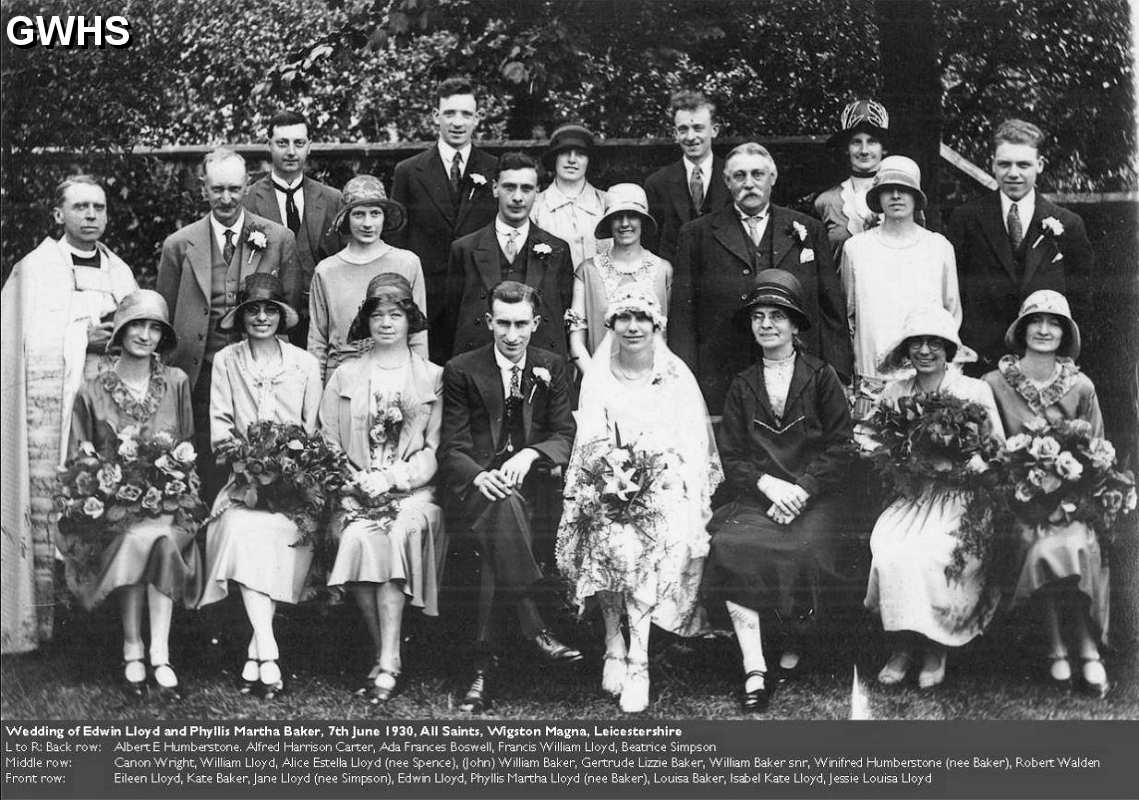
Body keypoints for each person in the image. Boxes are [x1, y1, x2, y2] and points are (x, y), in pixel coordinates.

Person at [556, 287, 721, 713]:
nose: (633, 327)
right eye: (624, 319)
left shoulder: (675, 375)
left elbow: (691, 445)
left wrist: (658, 483)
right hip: (609, 481)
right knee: (605, 530)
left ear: (656, 325)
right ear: (611, 325)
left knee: (646, 536)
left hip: (664, 487)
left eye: (642, 319)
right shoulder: (598, 375)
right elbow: (589, 444)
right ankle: (613, 641)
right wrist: (605, 485)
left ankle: (639, 660)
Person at [703, 271, 854, 712]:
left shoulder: (822, 377)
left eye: (777, 317)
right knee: (732, 543)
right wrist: (767, 485)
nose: (767, 325)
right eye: (759, 317)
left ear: (794, 325)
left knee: (805, 549)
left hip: (816, 498)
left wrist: (802, 490)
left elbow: (841, 447)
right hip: (757, 497)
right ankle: (754, 667)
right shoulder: (742, 383)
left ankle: (794, 637)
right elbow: (732, 456)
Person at [3, 175, 138, 653]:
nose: (90, 216)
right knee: (52, 508)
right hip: (50, 416)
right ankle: (46, 623)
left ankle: (101, 625)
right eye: (80, 207)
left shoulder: (120, 272)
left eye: (98, 207)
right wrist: (85, 337)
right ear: (58, 214)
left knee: (103, 502)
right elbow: (26, 344)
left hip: (103, 414)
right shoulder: (34, 270)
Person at [439, 281, 580, 713]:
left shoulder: (551, 366)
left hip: (535, 488)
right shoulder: (463, 368)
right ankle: (534, 622)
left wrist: (531, 454)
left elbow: (564, 433)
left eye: (521, 324)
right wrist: (480, 476)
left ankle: (480, 675)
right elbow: (452, 446)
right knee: (500, 505)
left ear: (536, 324)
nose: (512, 335)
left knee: (499, 526)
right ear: (489, 322)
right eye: (503, 323)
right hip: (476, 490)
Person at [63, 290, 202, 696]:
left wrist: (175, 485)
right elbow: (81, 456)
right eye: (136, 325)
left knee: (160, 537)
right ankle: (132, 645)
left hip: (169, 502)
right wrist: (109, 486)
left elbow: (187, 445)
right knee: (136, 537)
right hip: (114, 507)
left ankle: (159, 650)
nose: (145, 335)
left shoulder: (175, 382)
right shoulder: (92, 389)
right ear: (120, 332)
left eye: (155, 328)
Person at [864, 306, 1005, 689]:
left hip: (963, 498)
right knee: (891, 548)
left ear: (948, 347)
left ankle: (935, 645)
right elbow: (876, 441)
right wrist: (900, 460)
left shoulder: (973, 390)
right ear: (907, 350)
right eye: (916, 343)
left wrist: (963, 461)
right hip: (914, 495)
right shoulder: (896, 392)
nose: (925, 350)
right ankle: (903, 644)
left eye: (934, 343)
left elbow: (995, 451)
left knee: (933, 554)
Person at [322, 273, 446, 704]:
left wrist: (397, 478)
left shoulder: (432, 377)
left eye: (396, 315)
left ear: (410, 321)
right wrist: (355, 482)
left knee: (396, 534)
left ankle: (389, 661)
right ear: (366, 323)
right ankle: (384, 652)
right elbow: (329, 443)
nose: (387, 323)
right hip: (357, 489)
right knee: (355, 536)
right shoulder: (345, 375)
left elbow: (434, 449)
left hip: (412, 493)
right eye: (378, 315)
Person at [198, 274, 322, 699]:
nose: (262, 317)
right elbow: (220, 429)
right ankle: (267, 649)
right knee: (238, 530)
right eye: (253, 310)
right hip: (242, 482)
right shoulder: (227, 362)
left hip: (295, 486)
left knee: (281, 534)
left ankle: (258, 654)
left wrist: (290, 468)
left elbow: (314, 430)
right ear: (242, 316)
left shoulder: (305, 364)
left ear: (282, 316)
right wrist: (249, 464)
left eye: (270, 310)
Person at [982, 291, 1109, 696]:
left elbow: (1097, 451)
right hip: (1016, 501)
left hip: (1071, 501)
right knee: (1036, 544)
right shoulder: (994, 383)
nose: (1043, 329)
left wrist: (1072, 494)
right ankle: (1057, 646)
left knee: (1073, 545)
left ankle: (1087, 646)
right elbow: (989, 449)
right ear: (1020, 330)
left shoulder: (1081, 386)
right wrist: (1022, 488)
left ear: (1065, 333)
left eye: (1054, 323)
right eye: (1035, 321)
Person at [156, 147, 301, 501]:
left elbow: (290, 308)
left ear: (247, 186)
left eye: (234, 189)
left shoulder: (278, 238)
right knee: (207, 463)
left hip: (258, 373)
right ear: (203, 188)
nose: (226, 198)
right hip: (200, 373)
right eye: (217, 189)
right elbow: (165, 315)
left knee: (260, 469)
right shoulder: (179, 245)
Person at [672, 142, 852, 415]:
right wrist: (684, 383)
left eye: (757, 174)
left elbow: (831, 309)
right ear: (726, 181)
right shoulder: (697, 234)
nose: (749, 184)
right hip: (723, 377)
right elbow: (683, 317)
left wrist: (838, 373)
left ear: (773, 178)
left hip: (800, 376)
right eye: (739, 176)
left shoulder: (809, 230)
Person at [948, 119, 1095, 375]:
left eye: (1023, 164)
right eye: (1005, 164)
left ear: (1039, 165)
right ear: (993, 164)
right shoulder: (966, 219)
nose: (1013, 173)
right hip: (981, 365)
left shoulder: (1069, 224)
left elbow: (1081, 300)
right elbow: (954, 292)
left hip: (1045, 364)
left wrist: (1063, 359)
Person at [391, 76, 499, 365]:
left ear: (477, 119)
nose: (457, 122)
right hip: (427, 302)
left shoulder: (494, 169)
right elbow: (397, 244)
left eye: (466, 114)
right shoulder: (409, 172)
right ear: (436, 117)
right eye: (450, 113)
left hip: (478, 301)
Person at [840, 155, 960, 385]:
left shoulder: (939, 247)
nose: (896, 196)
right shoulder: (856, 248)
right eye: (888, 190)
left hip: (926, 375)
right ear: (878, 196)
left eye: (904, 189)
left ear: (916, 196)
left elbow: (951, 313)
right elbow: (849, 316)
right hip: (872, 376)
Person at [445, 152, 573, 358]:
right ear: (495, 188)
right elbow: (451, 317)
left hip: (539, 366)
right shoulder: (464, 249)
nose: (518, 197)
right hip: (479, 367)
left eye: (527, 188)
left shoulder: (558, 250)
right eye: (509, 187)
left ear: (537, 191)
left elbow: (562, 311)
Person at [308, 175, 426, 381]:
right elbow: (317, 341)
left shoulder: (407, 263)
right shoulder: (327, 270)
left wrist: (419, 384)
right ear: (346, 218)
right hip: (342, 377)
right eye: (358, 214)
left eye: (375, 213)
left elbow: (418, 335)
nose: (367, 223)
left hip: (396, 375)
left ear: (384, 217)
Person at [243, 110, 343, 347]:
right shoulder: (248, 202)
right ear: (269, 145)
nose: (290, 151)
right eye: (282, 143)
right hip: (270, 322)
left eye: (298, 143)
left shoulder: (332, 199)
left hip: (323, 321)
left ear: (309, 146)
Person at [567, 183, 671, 371]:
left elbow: (669, 335)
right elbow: (576, 339)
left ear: (642, 221)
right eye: (617, 217)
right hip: (599, 379)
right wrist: (596, 381)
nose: (624, 224)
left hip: (653, 382)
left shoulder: (663, 270)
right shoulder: (587, 271)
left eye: (631, 216)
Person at [644, 90, 731, 264]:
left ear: (714, 130)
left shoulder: (733, 177)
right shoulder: (657, 183)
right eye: (683, 129)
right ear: (675, 134)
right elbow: (651, 244)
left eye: (698, 128)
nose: (691, 137)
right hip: (677, 281)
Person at [813, 99, 890, 262]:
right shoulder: (826, 202)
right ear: (846, 148)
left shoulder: (900, 195)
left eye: (872, 142)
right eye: (856, 142)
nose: (864, 150)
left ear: (884, 148)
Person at [531, 124, 609, 269]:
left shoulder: (607, 202)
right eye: (564, 153)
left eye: (580, 154)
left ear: (589, 160)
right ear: (555, 158)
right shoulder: (535, 206)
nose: (572, 160)